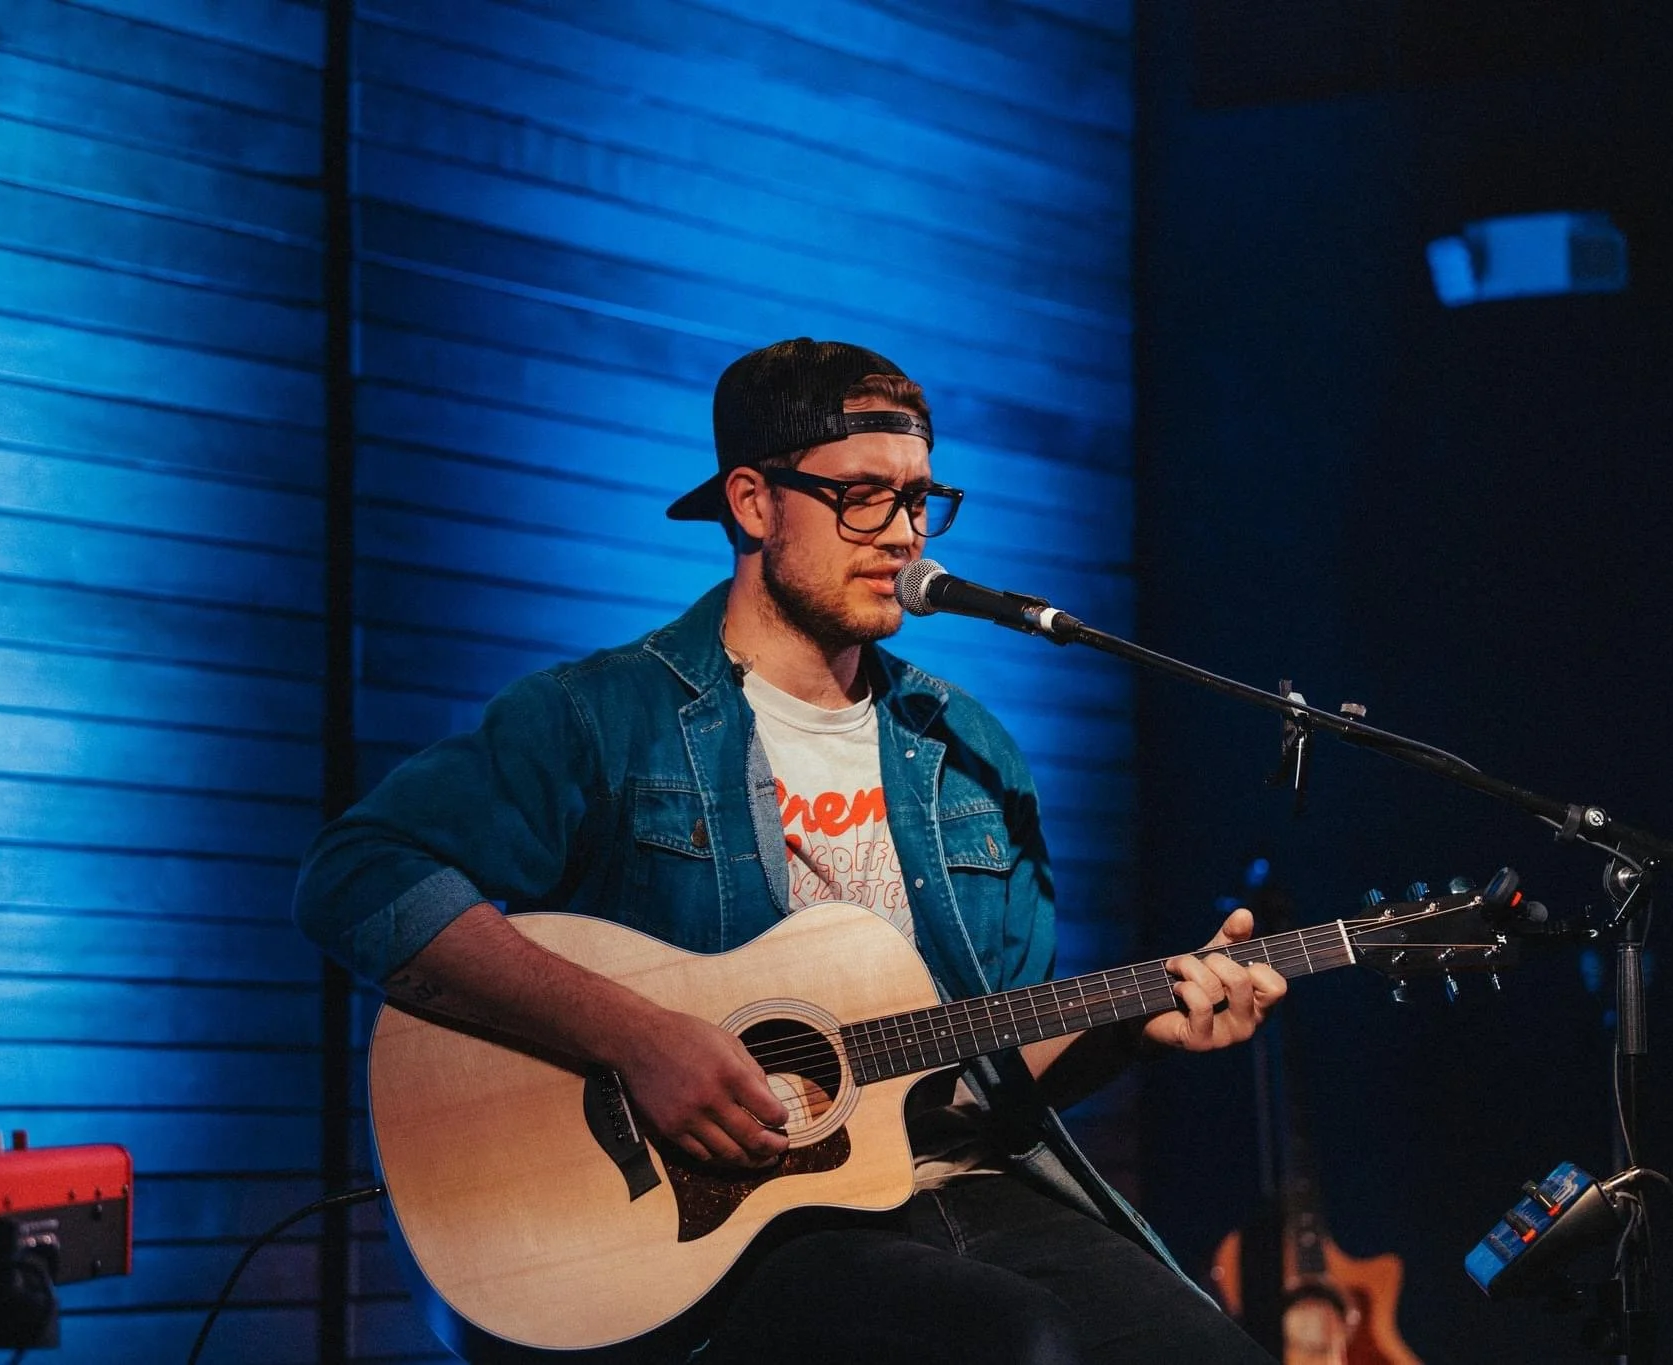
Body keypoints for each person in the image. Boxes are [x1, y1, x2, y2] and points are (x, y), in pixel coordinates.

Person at [294, 338, 1282, 1364]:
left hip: (961, 1186)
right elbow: (358, 877)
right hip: (730, 1222)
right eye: (861, 498)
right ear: (753, 502)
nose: (901, 536)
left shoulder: (970, 753)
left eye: (918, 500)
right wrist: (635, 1036)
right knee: (1009, 1346)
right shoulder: (602, 718)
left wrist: (1133, 1028)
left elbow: (988, 1059)